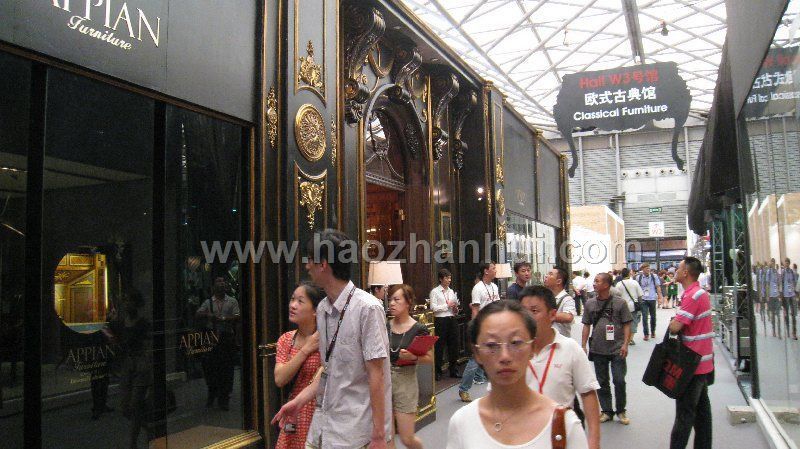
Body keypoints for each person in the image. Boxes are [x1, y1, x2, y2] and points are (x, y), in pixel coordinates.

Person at [272, 229, 392, 449]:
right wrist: (298, 401)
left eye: (310, 259)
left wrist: (379, 435)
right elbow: (330, 372)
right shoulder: (323, 309)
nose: (307, 266)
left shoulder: (368, 308)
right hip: (324, 428)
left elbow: (377, 375)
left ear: (323, 264)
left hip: (356, 433)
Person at [446, 300, 588, 449]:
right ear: (476, 353)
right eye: (491, 345)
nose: (505, 356)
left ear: (532, 348)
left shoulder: (564, 424)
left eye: (515, 342)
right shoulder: (463, 422)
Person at [519, 286, 601, 449]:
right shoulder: (513, 351)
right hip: (522, 436)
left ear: (552, 315)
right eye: (523, 312)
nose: (527, 318)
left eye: (534, 311)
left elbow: (588, 393)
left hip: (561, 435)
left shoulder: (570, 348)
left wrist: (594, 441)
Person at [668, 256, 715, 449]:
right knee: (702, 413)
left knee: (684, 414)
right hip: (702, 362)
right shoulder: (698, 293)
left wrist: (673, 321)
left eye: (678, 268)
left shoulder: (693, 296)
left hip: (692, 364)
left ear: (686, 272)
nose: (676, 271)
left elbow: (675, 327)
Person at [274, 283, 325, 449]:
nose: (293, 305)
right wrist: (306, 349)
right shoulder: (286, 340)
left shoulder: (326, 339)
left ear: (315, 310)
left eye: (300, 301)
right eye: (292, 299)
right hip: (293, 411)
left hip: (319, 410)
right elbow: (280, 379)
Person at [581, 273, 632, 425]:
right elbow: (586, 325)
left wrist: (625, 344)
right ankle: (607, 411)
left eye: (597, 281)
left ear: (606, 285)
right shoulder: (590, 303)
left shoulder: (620, 303)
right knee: (602, 381)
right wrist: (583, 345)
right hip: (598, 348)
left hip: (617, 348)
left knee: (619, 380)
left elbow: (627, 324)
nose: (594, 284)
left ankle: (621, 410)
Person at [387, 284, 432, 449]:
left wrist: (412, 357)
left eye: (396, 300)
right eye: (390, 300)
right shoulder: (385, 325)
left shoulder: (419, 329)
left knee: (407, 438)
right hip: (384, 379)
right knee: (387, 437)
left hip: (406, 380)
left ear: (408, 303)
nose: (392, 303)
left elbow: (429, 358)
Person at [109, 291, 152, 449]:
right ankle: (148, 427)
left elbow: (148, 345)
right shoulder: (121, 322)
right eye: (125, 301)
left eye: (130, 301)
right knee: (126, 407)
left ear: (136, 303)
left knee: (135, 405)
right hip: (127, 365)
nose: (127, 304)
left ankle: (133, 443)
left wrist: (147, 362)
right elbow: (114, 338)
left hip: (140, 364)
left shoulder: (143, 323)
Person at [196, 276, 241, 410]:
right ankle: (213, 391)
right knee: (211, 367)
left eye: (223, 281)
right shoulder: (208, 302)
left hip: (226, 337)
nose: (221, 283)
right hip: (212, 337)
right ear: (213, 286)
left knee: (226, 368)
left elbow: (237, 316)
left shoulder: (232, 301)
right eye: (218, 281)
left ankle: (224, 397)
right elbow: (198, 314)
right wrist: (208, 315)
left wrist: (224, 319)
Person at [459, 262, 498, 402]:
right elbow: (475, 310)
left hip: (494, 327)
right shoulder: (478, 288)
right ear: (486, 271)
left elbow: (497, 306)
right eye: (493, 268)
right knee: (475, 359)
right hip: (481, 327)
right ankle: (463, 389)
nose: (495, 270)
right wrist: (474, 329)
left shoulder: (494, 287)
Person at [430, 269, 461, 380]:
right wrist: (447, 306)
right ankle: (437, 371)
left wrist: (455, 308)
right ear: (440, 279)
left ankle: (453, 370)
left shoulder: (451, 291)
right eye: (447, 278)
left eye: (450, 278)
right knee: (439, 346)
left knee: (454, 345)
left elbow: (453, 308)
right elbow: (433, 308)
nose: (449, 280)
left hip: (452, 318)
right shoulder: (435, 292)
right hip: (440, 320)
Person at [543, 267, 576, 338]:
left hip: (561, 342)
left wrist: (544, 315)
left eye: (550, 274)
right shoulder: (544, 297)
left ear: (558, 281)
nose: (546, 276)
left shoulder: (567, 299)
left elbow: (568, 317)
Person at [614, 268, 643, 346]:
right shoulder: (634, 282)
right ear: (629, 274)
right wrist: (640, 305)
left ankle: (624, 338)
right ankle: (630, 339)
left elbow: (616, 296)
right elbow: (640, 295)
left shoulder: (619, 284)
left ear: (621, 275)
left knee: (623, 323)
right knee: (633, 322)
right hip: (633, 306)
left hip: (622, 306)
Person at [636, 263, 662, 341]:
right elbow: (637, 288)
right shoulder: (638, 277)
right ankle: (646, 334)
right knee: (644, 317)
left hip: (652, 298)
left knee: (653, 316)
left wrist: (660, 297)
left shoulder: (654, 276)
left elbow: (658, 287)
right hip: (643, 299)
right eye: (646, 268)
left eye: (648, 268)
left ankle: (653, 331)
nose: (648, 269)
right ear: (642, 269)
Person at [781, 258, 797, 340]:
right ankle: (788, 330)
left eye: (787, 263)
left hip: (792, 295)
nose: (786, 264)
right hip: (786, 295)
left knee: (793, 314)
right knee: (786, 313)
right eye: (785, 263)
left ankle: (794, 333)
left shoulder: (792, 272)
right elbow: (781, 284)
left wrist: (794, 291)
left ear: (789, 263)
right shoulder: (783, 272)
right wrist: (782, 296)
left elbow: (794, 282)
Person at [766, 258, 782, 338]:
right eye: (772, 263)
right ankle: (774, 331)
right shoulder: (769, 272)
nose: (772, 264)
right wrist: (768, 295)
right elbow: (767, 284)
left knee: (778, 315)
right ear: (770, 263)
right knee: (772, 314)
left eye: (773, 263)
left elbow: (779, 283)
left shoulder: (776, 272)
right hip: (771, 296)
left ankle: (779, 332)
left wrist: (779, 293)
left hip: (776, 295)